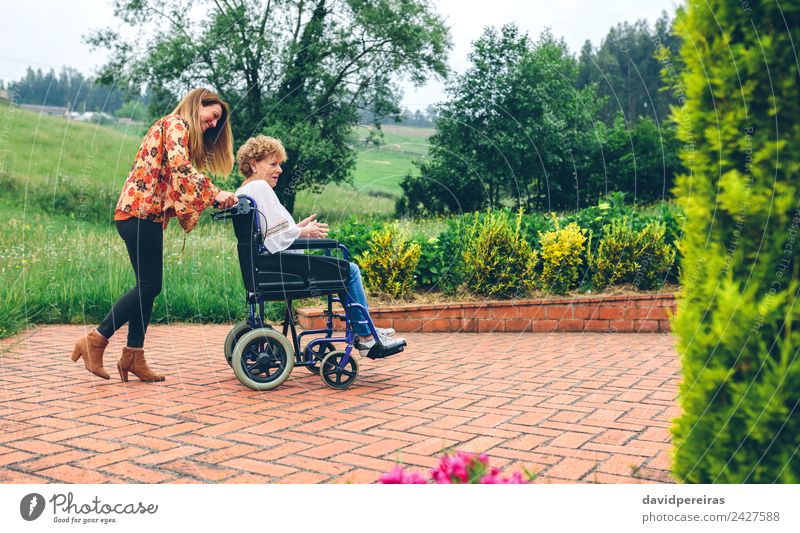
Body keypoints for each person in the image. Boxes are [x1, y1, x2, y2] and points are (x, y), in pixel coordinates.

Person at [71, 88, 239, 382]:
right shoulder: (176, 124)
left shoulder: (170, 127)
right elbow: (181, 169)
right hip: (139, 215)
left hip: (141, 215)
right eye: (212, 116)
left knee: (146, 288)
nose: (213, 124)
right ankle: (96, 340)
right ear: (199, 103)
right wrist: (215, 194)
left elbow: (171, 183)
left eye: (216, 122)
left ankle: (134, 356)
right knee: (149, 287)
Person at [234, 135, 402, 355]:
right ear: (254, 164)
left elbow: (268, 234)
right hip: (278, 268)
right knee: (348, 271)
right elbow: (274, 239)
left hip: (264, 267)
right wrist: (303, 231)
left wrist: (299, 229)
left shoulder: (243, 191)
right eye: (273, 164)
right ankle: (366, 336)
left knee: (342, 270)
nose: (280, 170)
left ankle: (366, 329)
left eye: (280, 164)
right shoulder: (259, 187)